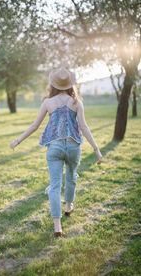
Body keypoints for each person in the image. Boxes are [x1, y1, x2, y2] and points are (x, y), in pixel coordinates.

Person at [10, 67, 103, 237]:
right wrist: (96, 149)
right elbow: (84, 127)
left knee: (54, 186)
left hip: (55, 148)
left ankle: (58, 227)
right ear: (70, 85)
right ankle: (68, 207)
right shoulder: (76, 103)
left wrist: (18, 140)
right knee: (71, 176)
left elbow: (34, 126)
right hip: (74, 146)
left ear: (53, 84)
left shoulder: (48, 103)